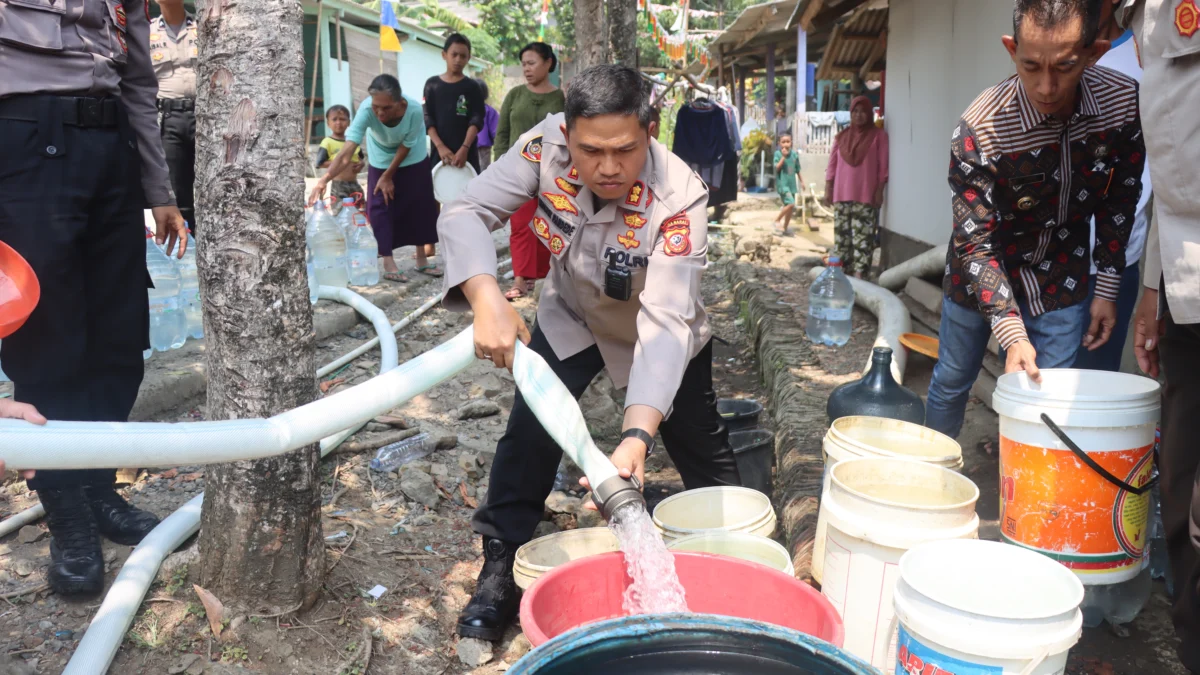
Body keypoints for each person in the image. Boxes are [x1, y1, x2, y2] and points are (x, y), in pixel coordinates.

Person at [438, 64, 743, 642]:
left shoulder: (680, 198)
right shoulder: (541, 148)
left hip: (660, 333)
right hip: (573, 316)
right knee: (527, 437)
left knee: (703, 453)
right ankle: (499, 572)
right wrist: (485, 296)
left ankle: (738, 562)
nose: (606, 167)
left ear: (650, 131)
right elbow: (464, 211)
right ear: (567, 133)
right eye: (590, 150)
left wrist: (637, 435)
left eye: (624, 150)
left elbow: (665, 318)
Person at [0, 0, 188, 597]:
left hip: (112, 153)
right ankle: (69, 518)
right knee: (49, 339)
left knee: (118, 332)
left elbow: (138, 84)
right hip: (23, 143)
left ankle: (99, 487)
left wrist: (159, 189)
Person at [925, 0, 1144, 439]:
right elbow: (974, 242)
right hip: (982, 271)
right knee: (952, 381)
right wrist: (1011, 333)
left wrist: (1106, 288)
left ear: (1093, 52)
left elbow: (1121, 198)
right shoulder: (981, 127)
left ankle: (1031, 501)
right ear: (1011, 49)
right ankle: (934, 479)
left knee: (1049, 397)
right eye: (1030, 66)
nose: (1046, 86)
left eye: (1064, 67)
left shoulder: (1121, 104)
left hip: (1063, 271)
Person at [1114, 0, 1200, 668]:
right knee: (1180, 501)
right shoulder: (1146, 14)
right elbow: (1170, 182)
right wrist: (1152, 289)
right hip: (1183, 286)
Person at [1071, 6, 1151, 372]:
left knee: (1094, 387)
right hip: (1047, 260)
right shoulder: (1052, 61)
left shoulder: (1145, 57)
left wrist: (1109, 279)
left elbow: (1138, 182)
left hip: (1113, 264)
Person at [309, 75, 441, 282]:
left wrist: (389, 175)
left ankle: (422, 260)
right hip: (380, 157)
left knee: (420, 204)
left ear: (400, 103)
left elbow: (405, 146)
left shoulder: (414, 110)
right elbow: (346, 152)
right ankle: (388, 261)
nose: (379, 112)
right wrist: (324, 179)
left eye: (386, 108)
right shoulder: (366, 110)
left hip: (412, 157)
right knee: (379, 205)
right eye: (376, 106)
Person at [493, 42, 565, 300]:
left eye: (532, 63)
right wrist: (499, 165)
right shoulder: (514, 96)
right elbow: (501, 135)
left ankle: (546, 277)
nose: (527, 69)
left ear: (548, 63)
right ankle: (521, 279)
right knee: (521, 225)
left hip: (550, 171)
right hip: (516, 171)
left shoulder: (560, 98)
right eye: (524, 64)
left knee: (548, 223)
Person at [822, 96, 889, 278]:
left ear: (870, 114)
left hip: (866, 195)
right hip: (841, 194)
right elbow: (832, 165)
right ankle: (845, 274)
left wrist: (879, 190)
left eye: (863, 112)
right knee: (842, 239)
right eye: (855, 111)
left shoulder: (878, 136)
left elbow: (883, 167)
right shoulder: (841, 137)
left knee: (863, 238)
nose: (859, 116)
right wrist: (828, 188)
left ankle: (860, 275)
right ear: (851, 114)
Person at [151, 0, 198, 229]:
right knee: (177, 190)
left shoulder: (204, 26)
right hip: (168, 119)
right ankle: (186, 248)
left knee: (212, 187)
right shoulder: (146, 32)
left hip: (205, 118)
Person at [424, 34, 486, 174]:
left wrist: (464, 148)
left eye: (463, 56)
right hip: (439, 154)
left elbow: (476, 120)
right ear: (444, 55)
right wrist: (440, 147)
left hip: (466, 155)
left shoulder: (472, 87)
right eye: (454, 54)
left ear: (468, 58)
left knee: (468, 193)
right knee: (438, 193)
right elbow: (428, 118)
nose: (458, 60)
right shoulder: (432, 85)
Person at [315, 105, 367, 215]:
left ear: (349, 122)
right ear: (328, 123)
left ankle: (360, 231)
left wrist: (361, 164)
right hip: (338, 186)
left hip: (354, 183)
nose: (338, 122)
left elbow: (360, 160)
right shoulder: (327, 142)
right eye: (334, 119)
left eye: (342, 119)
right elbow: (320, 163)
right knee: (340, 213)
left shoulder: (353, 142)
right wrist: (339, 162)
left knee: (361, 210)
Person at [773, 133, 804, 235]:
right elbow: (777, 167)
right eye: (783, 142)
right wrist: (783, 156)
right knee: (791, 203)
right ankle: (777, 220)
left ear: (791, 143)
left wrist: (802, 181)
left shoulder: (794, 155)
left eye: (788, 141)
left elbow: (797, 169)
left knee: (790, 208)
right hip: (783, 184)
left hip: (792, 185)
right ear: (779, 143)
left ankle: (785, 228)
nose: (786, 144)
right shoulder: (778, 154)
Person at [475, 79, 499, 173]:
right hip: (481, 147)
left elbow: (496, 132)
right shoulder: (489, 110)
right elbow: (495, 132)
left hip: (481, 148)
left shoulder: (489, 111)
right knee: (483, 172)